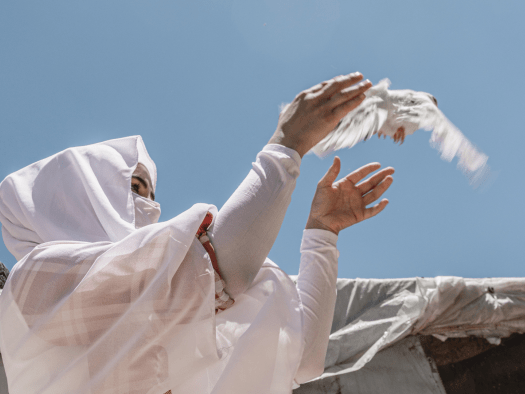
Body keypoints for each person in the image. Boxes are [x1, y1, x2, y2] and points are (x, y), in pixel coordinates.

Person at [0, 72, 394, 394]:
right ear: (75, 194)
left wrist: (321, 236)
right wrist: (286, 145)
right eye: (135, 187)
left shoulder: (168, 295)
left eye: (151, 194)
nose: (150, 208)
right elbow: (216, 271)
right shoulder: (34, 282)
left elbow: (302, 357)